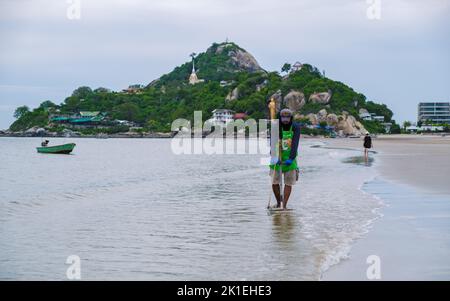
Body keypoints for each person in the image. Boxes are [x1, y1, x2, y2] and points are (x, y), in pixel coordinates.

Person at [269, 108, 300, 209]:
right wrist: (274, 156)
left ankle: (284, 205)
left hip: (290, 158)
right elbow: (272, 143)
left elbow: (295, 144)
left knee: (288, 183)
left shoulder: (295, 127)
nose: (285, 119)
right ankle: (278, 203)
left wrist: (291, 158)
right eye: (283, 117)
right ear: (280, 117)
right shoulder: (275, 126)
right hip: (276, 157)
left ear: (291, 118)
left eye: (287, 117)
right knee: (274, 182)